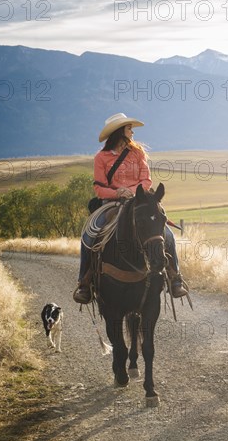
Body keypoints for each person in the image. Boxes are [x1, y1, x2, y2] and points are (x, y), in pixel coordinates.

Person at [73, 113, 188, 304]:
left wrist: (133, 192)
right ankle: (84, 282)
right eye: (128, 128)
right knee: (89, 235)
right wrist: (118, 193)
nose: (132, 132)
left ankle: (175, 278)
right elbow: (99, 188)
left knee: (166, 234)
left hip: (140, 200)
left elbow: (146, 179)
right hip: (111, 204)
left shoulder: (138, 153)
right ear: (120, 132)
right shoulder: (101, 158)